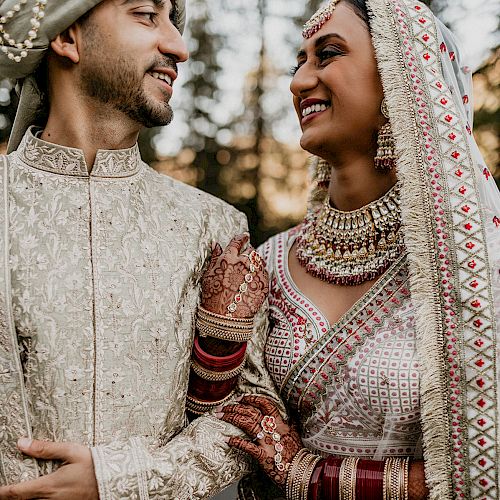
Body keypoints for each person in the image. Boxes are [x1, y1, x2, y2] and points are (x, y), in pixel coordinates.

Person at [213, 0, 500, 498]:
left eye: (327, 54)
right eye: (298, 62)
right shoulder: (269, 263)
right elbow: (232, 425)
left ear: (400, 76)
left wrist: (312, 475)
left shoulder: (476, 261)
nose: (300, 82)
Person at [0, 1, 279, 498]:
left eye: (176, 21)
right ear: (68, 39)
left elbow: (250, 415)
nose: (178, 46)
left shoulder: (213, 228)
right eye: (147, 15)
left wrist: (121, 480)